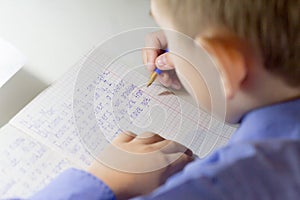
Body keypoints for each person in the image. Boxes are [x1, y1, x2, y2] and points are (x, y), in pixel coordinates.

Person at [29, 0, 300, 199]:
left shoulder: (219, 184)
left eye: (170, 35)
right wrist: (203, 75)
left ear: (223, 65)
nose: (165, 44)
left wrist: (106, 182)